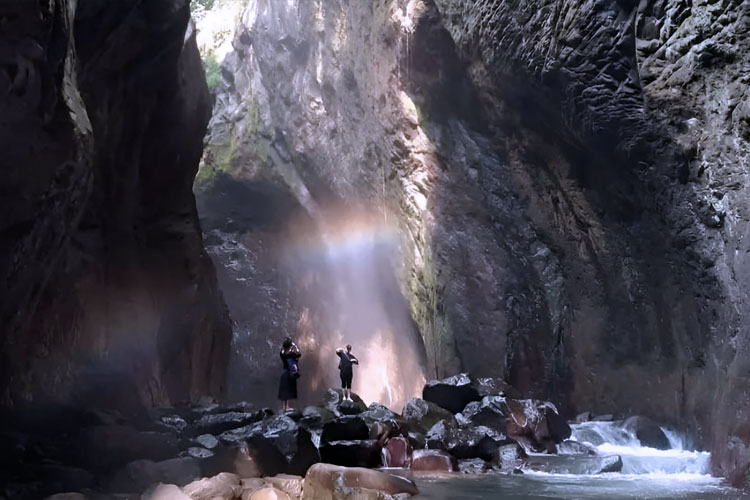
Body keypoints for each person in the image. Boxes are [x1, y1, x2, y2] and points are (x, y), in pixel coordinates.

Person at [278, 337, 301, 412]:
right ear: (290, 346)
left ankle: (284, 407)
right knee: (288, 389)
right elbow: (299, 354)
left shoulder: (282, 353)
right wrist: (295, 346)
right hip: (289, 372)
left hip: (284, 372)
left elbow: (283, 349)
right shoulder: (291, 354)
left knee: (283, 390)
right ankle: (287, 407)